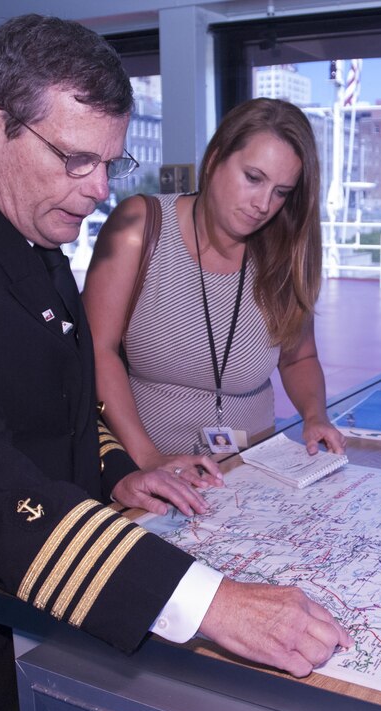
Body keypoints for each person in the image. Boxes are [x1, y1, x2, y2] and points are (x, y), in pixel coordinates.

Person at [0, 15, 350, 711]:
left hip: (57, 598)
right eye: (76, 159)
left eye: (110, 163)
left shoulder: (36, 242)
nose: (99, 188)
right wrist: (209, 601)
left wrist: (119, 472)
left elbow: (65, 405)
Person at [82, 98, 346, 475]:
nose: (263, 204)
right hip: (147, 468)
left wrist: (315, 415)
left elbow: (299, 357)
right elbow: (97, 349)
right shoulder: (138, 228)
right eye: (253, 178)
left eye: (281, 191)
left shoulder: (285, 252)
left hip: (252, 470)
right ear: (214, 159)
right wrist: (148, 458)